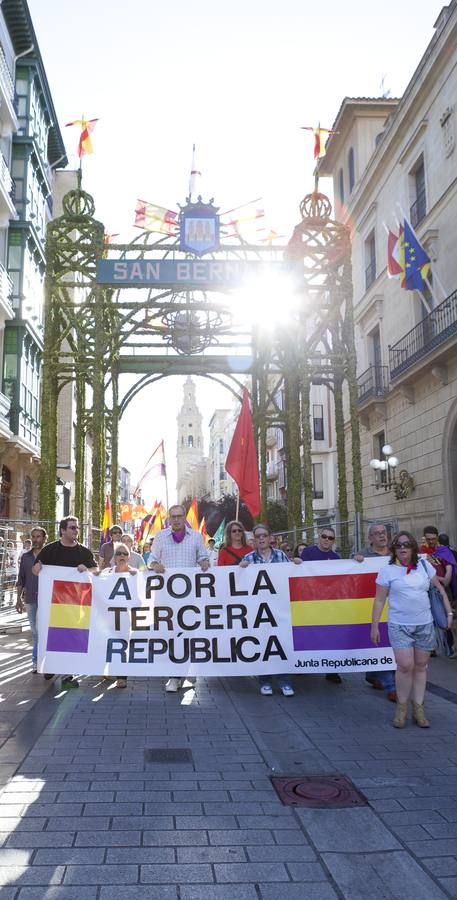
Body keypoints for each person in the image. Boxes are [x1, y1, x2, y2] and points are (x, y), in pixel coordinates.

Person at [371, 531, 452, 728]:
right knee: (405, 666)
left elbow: (440, 590)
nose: (402, 548)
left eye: (406, 545)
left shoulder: (424, 566)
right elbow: (380, 600)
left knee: (421, 666)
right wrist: (374, 626)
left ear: (413, 547)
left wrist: (449, 614)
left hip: (424, 625)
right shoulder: (387, 570)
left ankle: (419, 709)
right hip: (399, 626)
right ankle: (401, 708)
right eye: (398, 546)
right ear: (394, 549)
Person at [148, 504, 209, 692]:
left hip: (190, 597)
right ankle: (174, 676)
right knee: (172, 636)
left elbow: (203, 557)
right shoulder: (160, 537)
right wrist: (154, 565)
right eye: (172, 516)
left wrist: (205, 562)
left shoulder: (196, 537)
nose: (176, 520)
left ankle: (188, 669)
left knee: (189, 634)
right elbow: (151, 559)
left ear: (185, 518)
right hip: (167, 597)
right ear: (169, 519)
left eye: (179, 516)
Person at [32, 515, 98, 687]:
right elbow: (35, 569)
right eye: (73, 528)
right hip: (53, 602)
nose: (76, 530)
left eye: (77, 527)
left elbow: (96, 571)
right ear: (62, 530)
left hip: (75, 603)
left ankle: (68, 672)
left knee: (72, 637)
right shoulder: (50, 550)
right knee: (50, 633)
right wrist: (37, 569)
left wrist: (88, 569)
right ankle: (50, 665)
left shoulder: (84, 552)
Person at [240, 523, 301, 697]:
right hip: (258, 611)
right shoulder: (249, 558)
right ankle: (265, 681)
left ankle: (285, 682)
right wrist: (240, 569)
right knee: (263, 645)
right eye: (258, 536)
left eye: (264, 535)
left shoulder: (281, 556)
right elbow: (239, 583)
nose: (261, 538)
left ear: (270, 538)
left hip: (279, 609)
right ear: (254, 539)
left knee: (281, 644)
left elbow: (291, 575)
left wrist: (297, 564)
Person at [354, 523, 396, 701]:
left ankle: (377, 676)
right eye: (377, 533)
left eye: (383, 533)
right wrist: (355, 561)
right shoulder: (363, 555)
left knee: (393, 644)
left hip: (395, 606)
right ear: (370, 538)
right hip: (372, 605)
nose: (381, 536)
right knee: (380, 644)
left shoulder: (396, 555)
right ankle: (391, 687)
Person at [301, 527, 342, 684]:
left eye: (330, 538)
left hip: (328, 604)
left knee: (330, 636)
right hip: (309, 601)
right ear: (319, 536)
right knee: (307, 633)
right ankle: (304, 665)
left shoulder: (336, 558)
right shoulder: (308, 553)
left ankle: (332, 670)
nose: (327, 540)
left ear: (334, 541)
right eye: (324, 536)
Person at [106, 542, 139, 689]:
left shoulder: (135, 574)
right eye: (118, 553)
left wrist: (136, 576)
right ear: (114, 557)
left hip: (126, 617)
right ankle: (107, 668)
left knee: (123, 645)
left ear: (129, 557)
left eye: (124, 553)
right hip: (108, 615)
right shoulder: (107, 573)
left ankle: (121, 676)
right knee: (108, 643)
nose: (121, 556)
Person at [16, 527, 48, 673]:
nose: (36, 539)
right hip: (30, 599)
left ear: (44, 538)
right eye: (34, 536)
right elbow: (21, 578)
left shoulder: (51, 555)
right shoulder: (26, 557)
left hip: (48, 600)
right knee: (35, 632)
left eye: (39, 536)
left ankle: (46, 660)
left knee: (46, 631)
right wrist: (18, 599)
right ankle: (36, 661)